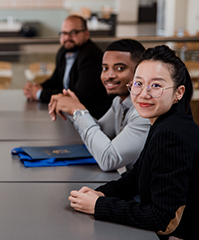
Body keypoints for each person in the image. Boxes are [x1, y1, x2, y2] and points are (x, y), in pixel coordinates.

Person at [68, 45, 199, 239]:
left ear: (179, 92)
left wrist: (100, 206)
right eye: (138, 83)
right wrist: (101, 194)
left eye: (156, 86)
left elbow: (163, 219)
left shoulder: (171, 134)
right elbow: (137, 175)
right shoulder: (166, 121)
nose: (143, 94)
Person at [48, 39, 150, 172]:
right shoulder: (119, 102)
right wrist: (72, 109)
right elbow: (101, 134)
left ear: (140, 73)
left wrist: (78, 111)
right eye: (105, 68)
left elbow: (108, 160)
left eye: (120, 68)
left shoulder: (144, 113)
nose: (109, 75)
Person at [23, 15, 112, 119]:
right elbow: (56, 80)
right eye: (64, 33)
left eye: (73, 33)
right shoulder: (63, 52)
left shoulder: (91, 56)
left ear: (86, 34)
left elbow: (77, 96)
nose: (67, 37)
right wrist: (37, 87)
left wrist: (39, 94)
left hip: (93, 118)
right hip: (71, 116)